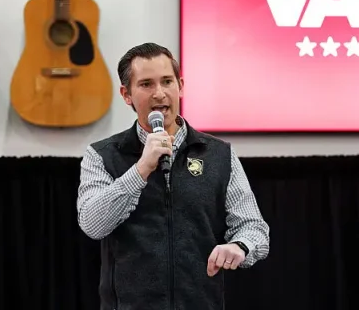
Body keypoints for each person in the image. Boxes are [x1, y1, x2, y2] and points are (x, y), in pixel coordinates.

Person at [77, 42, 270, 310]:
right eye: (146, 84)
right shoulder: (103, 155)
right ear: (126, 94)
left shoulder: (218, 154)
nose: (159, 94)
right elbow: (92, 224)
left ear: (181, 85)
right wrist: (141, 169)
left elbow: (255, 227)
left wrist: (239, 246)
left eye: (167, 81)